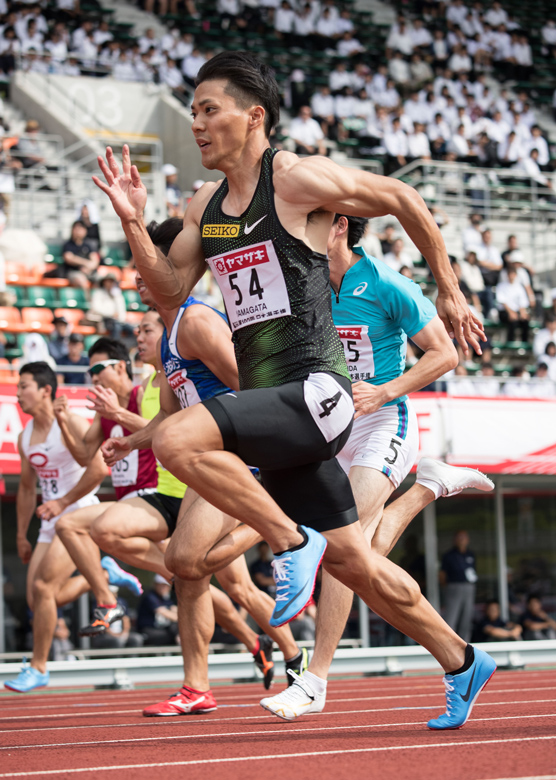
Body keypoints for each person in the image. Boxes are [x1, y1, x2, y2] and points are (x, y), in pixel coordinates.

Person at [94, 51, 492, 732]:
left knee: (178, 434)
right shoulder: (207, 205)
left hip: (321, 392)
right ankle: (462, 661)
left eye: (208, 109)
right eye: (191, 110)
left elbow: (403, 197)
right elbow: (168, 290)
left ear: (254, 117)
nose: (196, 123)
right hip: (280, 409)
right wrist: (133, 221)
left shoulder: (299, 181)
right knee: (356, 564)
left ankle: (285, 540)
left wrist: (450, 289)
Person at [260, 214, 494, 720]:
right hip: (330, 426)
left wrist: (384, 391)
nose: (300, 229)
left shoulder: (389, 284)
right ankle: (427, 490)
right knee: (359, 553)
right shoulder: (309, 283)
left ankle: (315, 679)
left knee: (341, 548)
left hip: (384, 422)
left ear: (339, 226)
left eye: (312, 219)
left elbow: (444, 354)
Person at [58, 315, 305, 704]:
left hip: (203, 477)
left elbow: (248, 390)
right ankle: (235, 671)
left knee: (195, 570)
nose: (138, 336)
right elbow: (159, 425)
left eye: (146, 330)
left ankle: (282, 527)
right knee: (205, 578)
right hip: (192, 479)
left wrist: (124, 424)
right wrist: (129, 440)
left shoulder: (192, 332)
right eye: (137, 331)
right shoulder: (166, 372)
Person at [3, 362, 137, 693]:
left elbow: (97, 471)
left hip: (77, 513)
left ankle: (38, 667)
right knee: (37, 599)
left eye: (25, 386)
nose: (19, 393)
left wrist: (62, 503)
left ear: (46, 390)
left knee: (46, 589)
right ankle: (103, 574)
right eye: (18, 388)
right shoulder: (25, 436)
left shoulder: (73, 423)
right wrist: (21, 534)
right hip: (50, 521)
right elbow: (24, 488)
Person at [440, 530, 478, 644]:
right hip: (454, 587)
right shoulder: (449, 555)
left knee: (467, 616)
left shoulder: (471, 554)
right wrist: (447, 588)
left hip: (468, 587)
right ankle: (449, 643)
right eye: (459, 538)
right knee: (452, 616)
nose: (462, 540)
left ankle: (465, 644)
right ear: (455, 540)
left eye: (464, 538)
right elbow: (442, 575)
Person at [56, 220, 100, 291]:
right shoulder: (68, 245)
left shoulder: (89, 245)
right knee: (81, 280)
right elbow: (68, 258)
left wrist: (88, 268)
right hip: (73, 272)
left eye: (80, 229)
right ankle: (88, 301)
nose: (78, 231)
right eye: (76, 229)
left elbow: (95, 260)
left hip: (89, 272)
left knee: (103, 279)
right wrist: (86, 263)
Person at [137, 574, 179, 645]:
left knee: (175, 629)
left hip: (161, 629)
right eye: (162, 585)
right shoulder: (150, 597)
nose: (165, 588)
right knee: (176, 634)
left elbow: (176, 611)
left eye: (167, 585)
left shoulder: (165, 599)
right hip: (148, 630)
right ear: (155, 584)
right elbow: (172, 616)